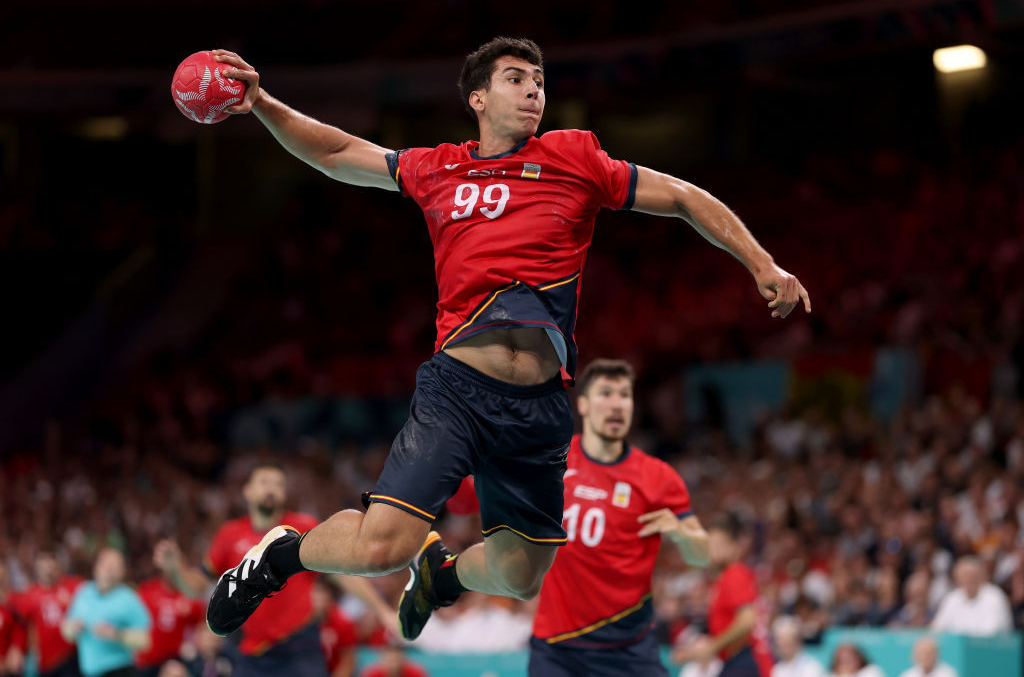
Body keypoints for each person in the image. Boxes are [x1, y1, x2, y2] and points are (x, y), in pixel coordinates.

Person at [204, 36, 812, 642]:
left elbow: (681, 196)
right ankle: (281, 556)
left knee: (520, 575)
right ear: (478, 96)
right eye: (517, 79)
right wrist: (263, 104)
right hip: (459, 393)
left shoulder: (575, 159)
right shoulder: (437, 168)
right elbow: (336, 151)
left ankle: (443, 577)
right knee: (381, 549)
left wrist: (762, 263)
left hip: (539, 404)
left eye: (540, 81)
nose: (533, 91)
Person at [528, 358, 710, 675]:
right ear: (582, 405)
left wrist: (680, 532)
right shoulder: (551, 460)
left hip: (629, 649)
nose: (617, 404)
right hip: (558, 646)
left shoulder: (658, 477)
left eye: (625, 395)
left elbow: (701, 556)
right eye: (606, 393)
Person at [154, 462, 393, 677]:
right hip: (250, 652)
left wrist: (382, 611)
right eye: (264, 482)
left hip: (299, 647)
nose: (271, 489)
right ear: (247, 490)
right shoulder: (229, 534)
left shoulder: (302, 526)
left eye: (278, 484)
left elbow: (340, 575)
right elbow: (196, 586)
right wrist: (176, 569)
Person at [675, 514, 773, 677]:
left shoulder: (735, 574)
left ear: (735, 547)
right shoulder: (725, 578)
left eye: (719, 544)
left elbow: (748, 619)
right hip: (736, 661)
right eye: (710, 544)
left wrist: (712, 647)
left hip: (744, 661)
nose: (712, 550)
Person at [60, 549, 151, 677]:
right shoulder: (83, 592)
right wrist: (73, 628)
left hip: (119, 669)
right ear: (96, 568)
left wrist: (117, 635)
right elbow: (66, 629)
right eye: (107, 566)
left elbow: (145, 640)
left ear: (122, 573)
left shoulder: (129, 598)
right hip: (88, 669)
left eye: (115, 567)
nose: (110, 571)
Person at [10, 551, 83, 677]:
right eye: (44, 568)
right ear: (37, 569)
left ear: (59, 567)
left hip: (72, 656)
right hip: (47, 662)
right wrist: (18, 647)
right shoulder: (30, 595)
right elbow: (17, 622)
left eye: (52, 567)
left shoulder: (74, 586)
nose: (48, 571)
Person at [133, 571, 205, 676]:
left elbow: (202, 621)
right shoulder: (148, 590)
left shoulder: (188, 595)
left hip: (174, 657)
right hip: (148, 659)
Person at [930, 556, 1013, 635]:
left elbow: (993, 632)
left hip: (991, 647)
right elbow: (937, 629)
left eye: (972, 575)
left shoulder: (994, 596)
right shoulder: (952, 598)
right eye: (964, 575)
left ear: (982, 576)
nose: (968, 579)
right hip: (958, 647)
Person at [313, 577, 358, 677]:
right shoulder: (298, 621)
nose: (319, 597)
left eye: (324, 592)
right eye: (317, 591)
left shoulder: (343, 622)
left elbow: (348, 661)